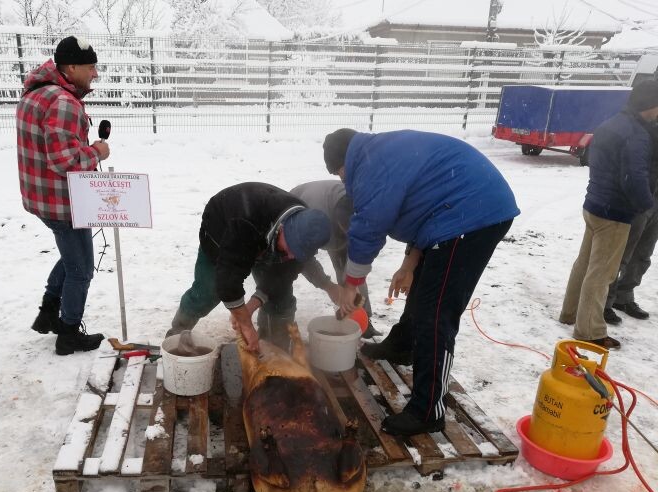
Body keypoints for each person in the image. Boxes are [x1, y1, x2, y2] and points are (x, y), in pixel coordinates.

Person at [323, 128, 519, 436]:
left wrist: (351, 284)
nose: (342, 180)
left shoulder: (371, 165)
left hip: (471, 216)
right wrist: (410, 263)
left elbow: (369, 226)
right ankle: (404, 345)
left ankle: (428, 410)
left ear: (344, 161)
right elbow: (423, 202)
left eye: (339, 172)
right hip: (453, 212)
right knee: (426, 291)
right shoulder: (379, 152)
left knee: (435, 313)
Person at [16, 35, 110, 355]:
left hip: (41, 198)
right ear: (71, 67)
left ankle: (48, 311)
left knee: (73, 258)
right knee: (81, 268)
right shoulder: (64, 102)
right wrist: (96, 152)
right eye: (91, 66)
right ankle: (68, 332)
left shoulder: (36, 94)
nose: (95, 73)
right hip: (65, 202)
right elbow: (64, 160)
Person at [166, 182, 331, 353]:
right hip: (221, 232)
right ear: (282, 229)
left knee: (280, 297)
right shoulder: (245, 223)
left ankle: (274, 348)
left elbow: (283, 275)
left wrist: (251, 305)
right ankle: (176, 334)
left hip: (263, 238)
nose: (291, 256)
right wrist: (245, 324)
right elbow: (228, 282)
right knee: (208, 291)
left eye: (297, 254)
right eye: (291, 249)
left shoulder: (305, 227)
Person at [559, 81, 658, 349]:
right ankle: (589, 330)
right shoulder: (636, 135)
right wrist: (645, 204)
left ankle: (569, 312)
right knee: (602, 272)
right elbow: (634, 177)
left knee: (585, 263)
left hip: (594, 204)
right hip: (615, 211)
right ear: (650, 105)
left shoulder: (612, 123)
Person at [290, 180, 381, 339]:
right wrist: (327, 285)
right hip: (306, 215)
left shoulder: (360, 209)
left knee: (350, 274)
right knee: (291, 263)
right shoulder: (312, 218)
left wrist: (352, 287)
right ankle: (279, 318)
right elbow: (303, 259)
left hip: (339, 222)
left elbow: (358, 262)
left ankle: (363, 320)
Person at [603, 120, 658, 325]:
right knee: (621, 254)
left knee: (643, 253)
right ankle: (605, 302)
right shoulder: (644, 126)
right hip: (640, 199)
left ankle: (624, 297)